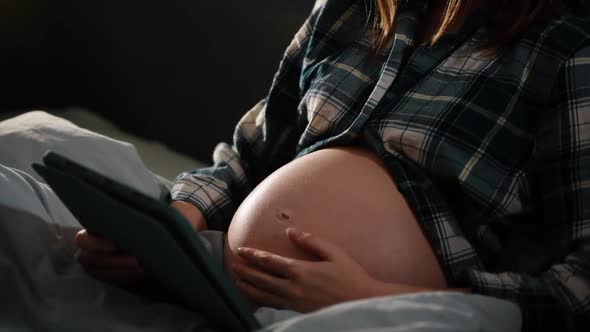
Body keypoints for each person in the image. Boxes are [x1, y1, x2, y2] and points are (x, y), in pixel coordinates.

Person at [75, 0, 590, 331]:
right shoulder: (346, 11)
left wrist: (374, 296)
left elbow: (581, 287)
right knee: (29, 159)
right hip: (221, 285)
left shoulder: (566, 52)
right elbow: (248, 155)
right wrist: (176, 222)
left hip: (389, 315)